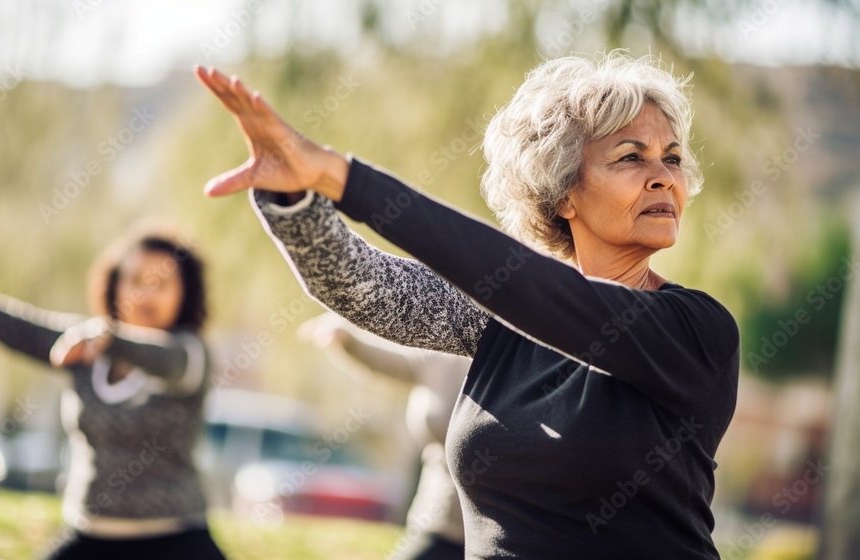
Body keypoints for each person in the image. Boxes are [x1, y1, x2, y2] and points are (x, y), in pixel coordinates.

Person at [193, 49, 741, 559]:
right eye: (631, 157)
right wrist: (295, 194)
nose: (664, 178)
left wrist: (342, 176)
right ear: (563, 194)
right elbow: (366, 287)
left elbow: (524, 286)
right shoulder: (505, 318)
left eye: (672, 158)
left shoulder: (696, 331)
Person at [0, 225, 227, 560]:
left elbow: (168, 361)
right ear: (115, 286)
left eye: (161, 284)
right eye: (135, 280)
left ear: (185, 294)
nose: (144, 294)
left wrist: (108, 338)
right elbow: (26, 330)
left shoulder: (191, 354)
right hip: (91, 537)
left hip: (176, 541)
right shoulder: (86, 348)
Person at [299, 312, 468, 560]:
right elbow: (393, 361)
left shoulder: (524, 358)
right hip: (437, 524)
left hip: (506, 538)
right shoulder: (445, 351)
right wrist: (347, 339)